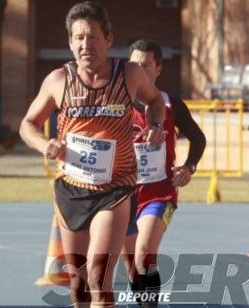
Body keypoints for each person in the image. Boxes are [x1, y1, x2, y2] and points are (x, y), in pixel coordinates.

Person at [19, 2, 166, 307]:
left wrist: (154, 124)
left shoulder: (129, 74)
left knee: (100, 278)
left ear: (108, 39)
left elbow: (155, 102)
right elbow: (27, 124)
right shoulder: (59, 80)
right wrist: (44, 144)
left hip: (114, 189)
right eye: (79, 38)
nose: (86, 44)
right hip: (71, 189)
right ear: (70, 42)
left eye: (93, 37)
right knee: (79, 284)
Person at [120, 39, 206, 307]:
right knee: (132, 261)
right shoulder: (117, 106)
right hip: (123, 194)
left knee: (145, 252)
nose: (140, 71)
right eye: (135, 65)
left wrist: (189, 167)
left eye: (146, 65)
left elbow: (198, 139)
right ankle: (144, 301)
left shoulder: (172, 106)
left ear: (158, 69)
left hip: (160, 193)